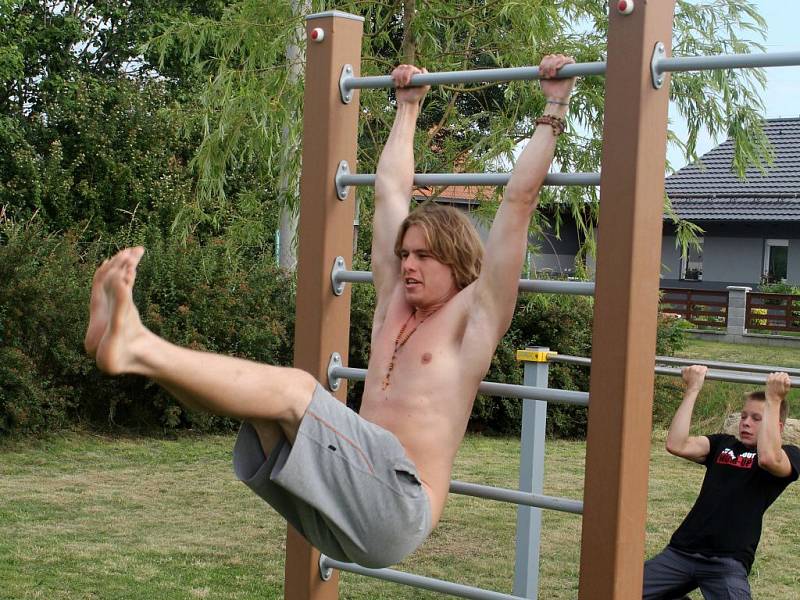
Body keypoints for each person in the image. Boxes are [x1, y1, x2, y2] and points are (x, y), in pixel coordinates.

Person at [84, 55, 576, 568]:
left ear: (454, 259)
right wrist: (407, 108)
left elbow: (518, 203)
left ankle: (135, 344)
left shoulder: (475, 317)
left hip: (399, 508)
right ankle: (131, 354)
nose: (407, 265)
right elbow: (389, 191)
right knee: (264, 412)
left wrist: (554, 104)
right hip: (343, 504)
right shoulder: (394, 304)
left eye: (423, 257)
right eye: (404, 254)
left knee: (298, 390)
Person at [642, 365, 800, 599]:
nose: (745, 423)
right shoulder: (722, 444)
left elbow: (768, 458)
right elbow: (677, 444)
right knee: (620, 589)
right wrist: (693, 389)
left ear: (776, 426)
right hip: (682, 551)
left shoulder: (789, 455)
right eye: (744, 416)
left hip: (727, 560)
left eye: (757, 419)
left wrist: (774, 398)